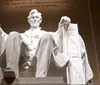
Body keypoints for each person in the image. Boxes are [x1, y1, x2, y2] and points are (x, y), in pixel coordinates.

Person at [53, 16, 93, 84]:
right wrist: (60, 31)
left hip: (74, 61)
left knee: (78, 79)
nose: (65, 26)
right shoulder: (55, 35)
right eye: (64, 24)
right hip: (63, 61)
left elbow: (82, 51)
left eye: (67, 24)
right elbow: (54, 45)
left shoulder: (76, 36)